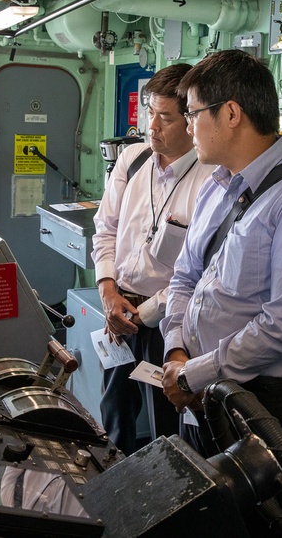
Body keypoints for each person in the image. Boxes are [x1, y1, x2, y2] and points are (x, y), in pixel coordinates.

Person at [160, 49, 282, 468]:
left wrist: (195, 372)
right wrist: (176, 352)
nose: (188, 127)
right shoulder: (216, 186)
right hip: (200, 389)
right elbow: (184, 276)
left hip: (266, 405)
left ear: (230, 113)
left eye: (192, 114)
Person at [91, 64, 216, 454]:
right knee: (114, 413)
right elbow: (105, 228)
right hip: (118, 308)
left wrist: (143, 315)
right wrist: (108, 290)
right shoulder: (132, 159)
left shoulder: (210, 178)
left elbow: (199, 272)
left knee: (167, 424)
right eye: (150, 112)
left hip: (168, 321)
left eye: (165, 117)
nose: (153, 126)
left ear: (191, 121)